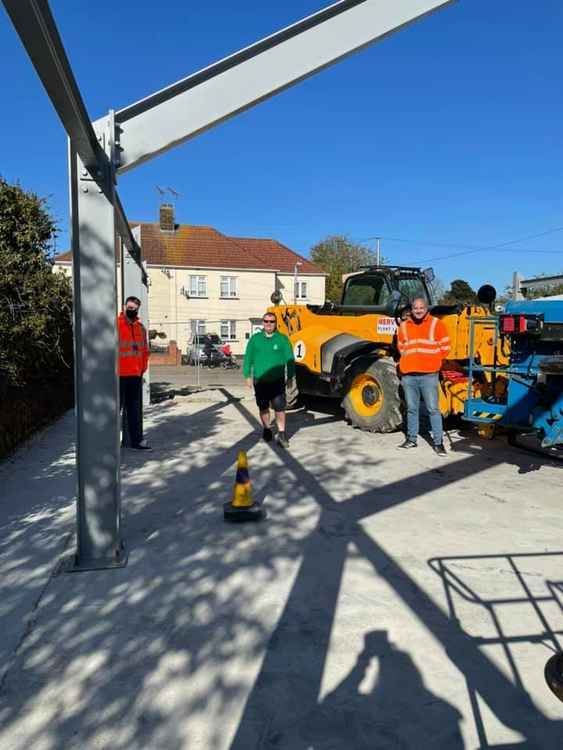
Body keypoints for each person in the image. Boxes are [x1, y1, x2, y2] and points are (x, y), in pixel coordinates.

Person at [397, 297, 450, 456]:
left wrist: (432, 360)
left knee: (433, 409)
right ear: (411, 309)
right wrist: (408, 359)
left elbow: (446, 346)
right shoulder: (404, 326)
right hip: (409, 375)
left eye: (421, 308)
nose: (418, 310)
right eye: (415, 308)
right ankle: (412, 439)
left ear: (426, 308)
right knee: (412, 409)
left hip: (428, 374)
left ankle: (438, 443)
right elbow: (400, 346)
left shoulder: (436, 324)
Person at [243, 312, 295, 448]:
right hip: (260, 381)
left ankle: (282, 434)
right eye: (266, 321)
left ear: (275, 323)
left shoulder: (282, 339)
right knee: (263, 407)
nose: (269, 324)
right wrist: (247, 376)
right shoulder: (255, 339)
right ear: (263, 323)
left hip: (277, 381)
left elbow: (290, 359)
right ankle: (267, 429)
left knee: (279, 407)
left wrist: (290, 377)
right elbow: (248, 358)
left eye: (272, 321)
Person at [118, 295, 151, 450]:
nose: (132, 310)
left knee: (135, 410)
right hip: (118, 375)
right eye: (129, 308)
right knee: (115, 409)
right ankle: (109, 442)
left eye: (135, 309)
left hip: (135, 375)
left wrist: (142, 368)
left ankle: (137, 441)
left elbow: (145, 351)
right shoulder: (116, 324)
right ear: (124, 306)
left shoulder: (140, 327)